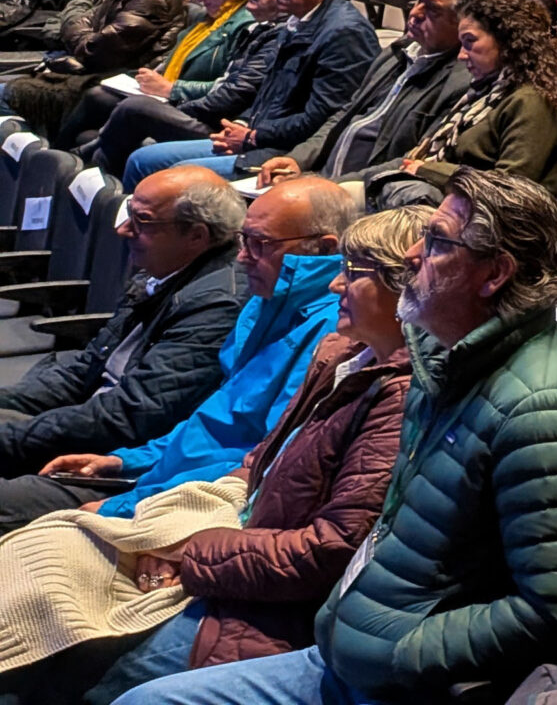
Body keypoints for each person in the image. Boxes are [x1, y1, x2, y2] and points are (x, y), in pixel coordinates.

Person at [112, 169, 557, 705]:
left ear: (495, 274)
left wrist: (395, 650)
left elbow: (556, 606)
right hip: (343, 642)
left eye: (438, 242)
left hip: (390, 672)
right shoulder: (445, 360)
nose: (414, 256)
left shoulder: (545, 409)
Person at [0, 208, 420, 705]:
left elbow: (329, 547)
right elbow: (256, 460)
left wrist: (190, 551)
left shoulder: (395, 394)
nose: (335, 286)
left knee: (66, 643)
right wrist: (137, 481)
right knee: (44, 550)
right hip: (215, 520)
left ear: (406, 286)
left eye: (352, 272)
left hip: (259, 588)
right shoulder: (339, 353)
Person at [0, 177, 351, 531]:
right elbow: (207, 424)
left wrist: (123, 504)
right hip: (149, 475)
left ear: (322, 248)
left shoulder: (329, 336)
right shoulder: (264, 303)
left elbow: (259, 463)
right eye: (244, 240)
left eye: (260, 244)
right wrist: (124, 462)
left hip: (181, 503)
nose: (243, 257)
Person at [0, 165, 245, 479]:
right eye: (130, 212)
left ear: (196, 235)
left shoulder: (217, 304)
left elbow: (130, 417)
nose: (123, 229)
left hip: (117, 464)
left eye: (142, 220)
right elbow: (87, 368)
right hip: (88, 423)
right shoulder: (163, 269)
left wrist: (14, 438)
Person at [118, 0, 378, 188]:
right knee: (144, 157)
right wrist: (243, 125)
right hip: (256, 137)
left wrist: (253, 136)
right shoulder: (298, 21)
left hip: (285, 152)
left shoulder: (344, 33)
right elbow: (269, 94)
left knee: (155, 166)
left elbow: (323, 118)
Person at [249, 0, 483, 186]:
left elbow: (414, 159)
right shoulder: (396, 53)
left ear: (464, 22)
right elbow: (344, 115)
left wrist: (328, 187)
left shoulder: (461, 83)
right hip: (322, 178)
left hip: (368, 194)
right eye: (418, 0)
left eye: (432, 9)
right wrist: (298, 159)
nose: (414, 13)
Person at [363, 0, 557, 205]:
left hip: (491, 225)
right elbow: (412, 160)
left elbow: (511, 188)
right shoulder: (484, 92)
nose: (461, 55)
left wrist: (430, 170)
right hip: (448, 204)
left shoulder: (533, 100)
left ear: (507, 40)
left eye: (470, 41)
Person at [54, 0, 261, 150]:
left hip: (203, 112)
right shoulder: (207, 22)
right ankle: (63, 155)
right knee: (97, 95)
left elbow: (229, 88)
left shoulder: (244, 25)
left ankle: (79, 157)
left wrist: (171, 88)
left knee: (128, 108)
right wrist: (151, 77)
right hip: (172, 95)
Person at [3, 0, 188, 143]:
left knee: (5, 95)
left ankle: (41, 160)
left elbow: (92, 48)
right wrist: (85, 1)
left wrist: (77, 28)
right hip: (90, 70)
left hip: (111, 79)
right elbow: (76, 27)